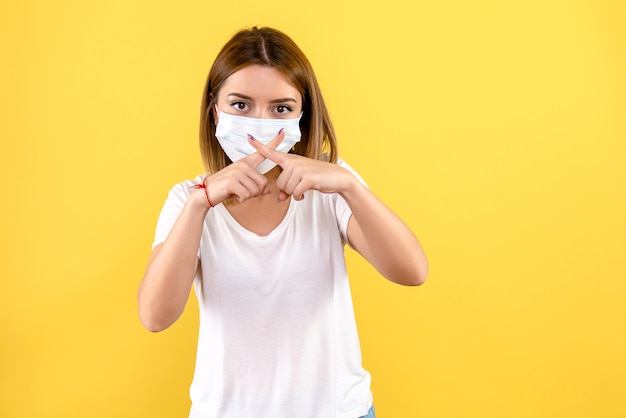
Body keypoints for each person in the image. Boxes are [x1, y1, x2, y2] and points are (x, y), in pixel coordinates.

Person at [138, 26, 428, 418]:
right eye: (241, 105)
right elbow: (155, 316)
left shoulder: (329, 188)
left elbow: (411, 271)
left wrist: (350, 187)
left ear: (302, 116)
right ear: (214, 110)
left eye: (281, 108)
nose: (260, 122)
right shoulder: (187, 200)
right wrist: (199, 205)